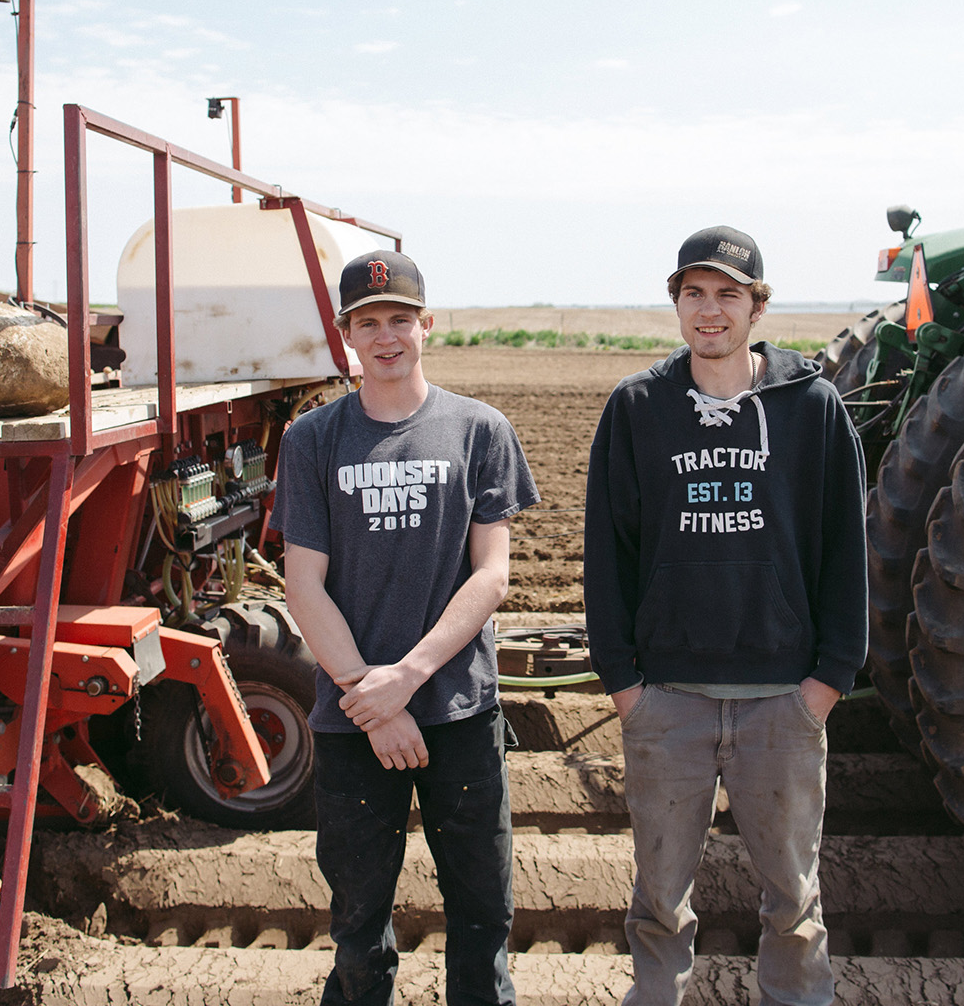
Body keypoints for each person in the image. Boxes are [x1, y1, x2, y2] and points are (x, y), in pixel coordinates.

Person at [583, 225, 868, 1006]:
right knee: (659, 905)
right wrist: (625, 687)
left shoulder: (812, 409)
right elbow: (606, 554)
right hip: (668, 702)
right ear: (677, 303)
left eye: (728, 295)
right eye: (694, 294)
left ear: (757, 306)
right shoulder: (639, 408)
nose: (710, 311)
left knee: (795, 905)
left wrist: (827, 681)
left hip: (782, 701)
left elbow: (848, 548)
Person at [272, 249, 539, 1006]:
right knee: (359, 922)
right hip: (353, 718)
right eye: (367, 322)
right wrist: (368, 695)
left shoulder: (479, 430)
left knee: (483, 916)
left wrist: (407, 681)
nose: (385, 335)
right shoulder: (314, 440)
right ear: (346, 334)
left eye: (400, 319)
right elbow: (304, 581)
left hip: (457, 710)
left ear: (427, 325)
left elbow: (491, 575)